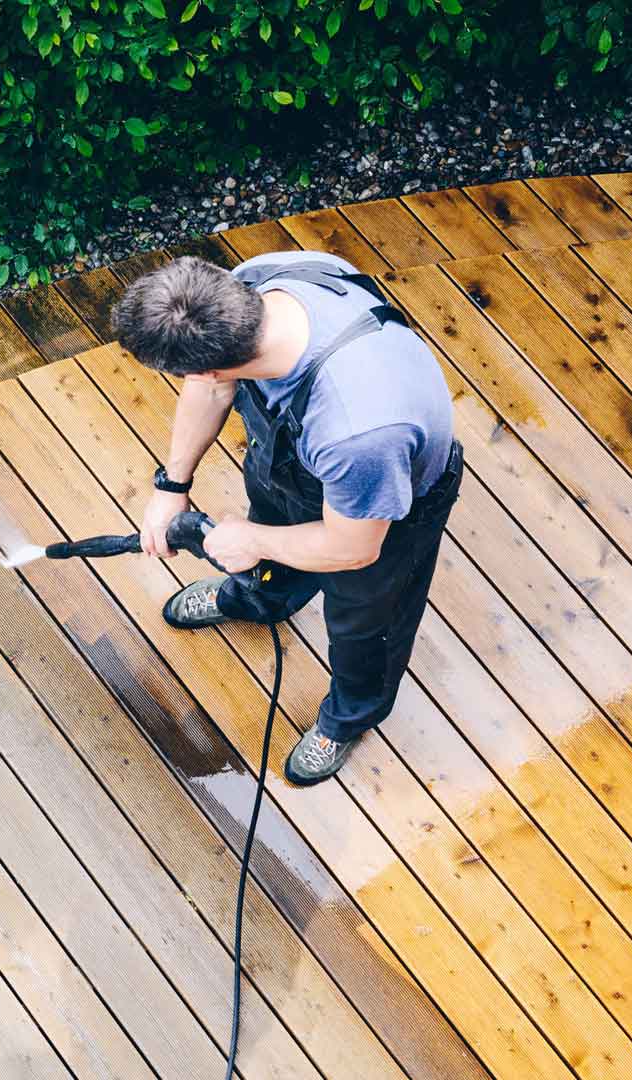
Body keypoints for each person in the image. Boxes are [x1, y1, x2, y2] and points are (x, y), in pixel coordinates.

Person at [111, 251, 463, 785]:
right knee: (269, 551)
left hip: (381, 517)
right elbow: (212, 386)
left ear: (206, 360)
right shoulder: (255, 284)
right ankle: (261, 599)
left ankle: (348, 718)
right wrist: (172, 485)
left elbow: (352, 549)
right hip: (289, 468)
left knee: (366, 627)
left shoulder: (358, 428)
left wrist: (251, 539)